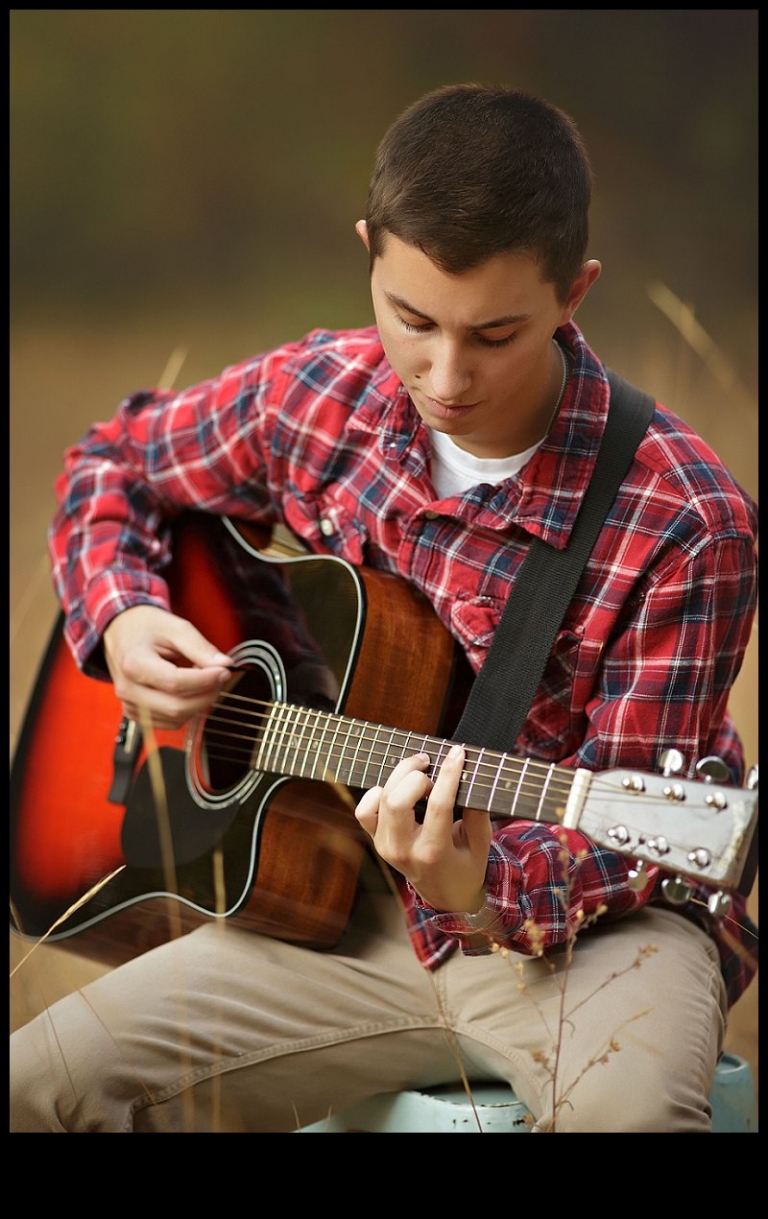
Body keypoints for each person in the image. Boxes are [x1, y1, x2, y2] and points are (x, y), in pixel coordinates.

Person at [10, 82, 758, 1133]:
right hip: (341, 913)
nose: (445, 375)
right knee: (33, 1085)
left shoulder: (686, 517)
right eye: (412, 319)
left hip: (597, 932)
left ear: (574, 292)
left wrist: (483, 885)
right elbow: (114, 465)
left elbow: (637, 830)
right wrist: (125, 616)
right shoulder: (319, 394)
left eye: (496, 334)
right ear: (369, 250)